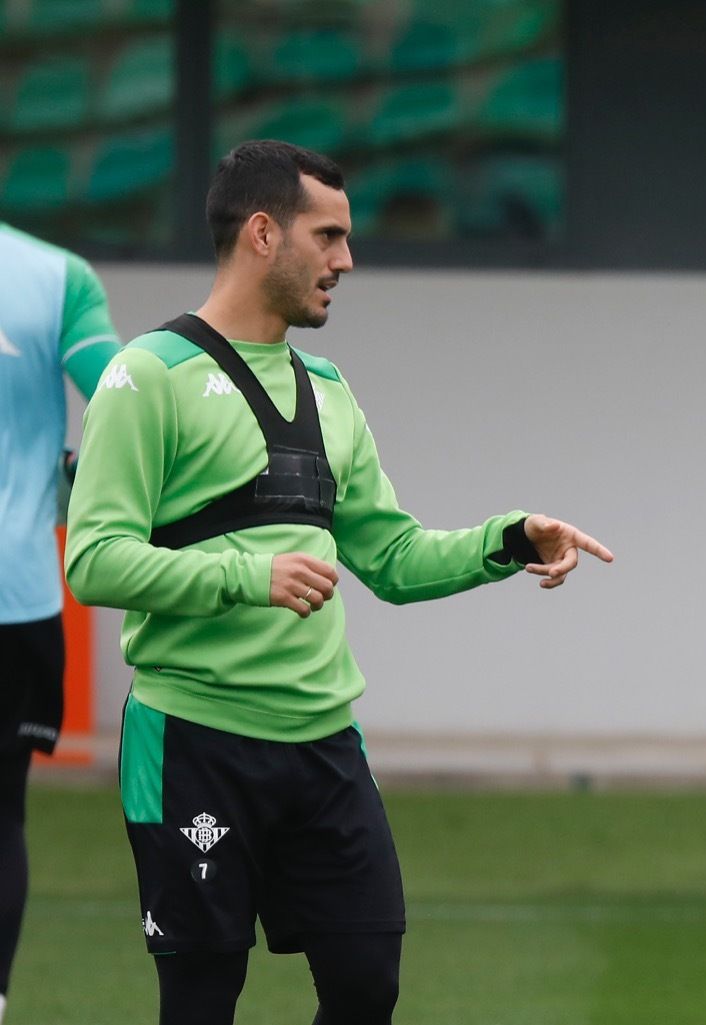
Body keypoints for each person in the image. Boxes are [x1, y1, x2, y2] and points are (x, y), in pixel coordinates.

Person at [65, 140, 613, 1025]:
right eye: (327, 236)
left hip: (324, 748)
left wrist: (508, 539)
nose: (346, 260)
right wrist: (249, 576)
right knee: (201, 1001)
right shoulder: (146, 377)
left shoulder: (330, 389)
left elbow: (391, 559)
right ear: (260, 233)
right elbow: (93, 560)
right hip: (194, 744)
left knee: (367, 989)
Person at [0, 222, 122, 1023]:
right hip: (15, 598)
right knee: (0, 812)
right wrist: (76, 477)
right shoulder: (55, 275)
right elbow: (127, 412)